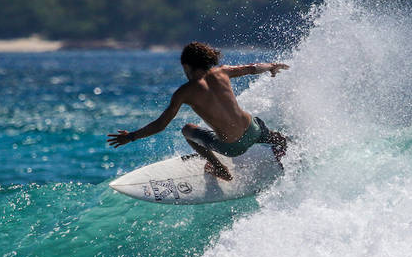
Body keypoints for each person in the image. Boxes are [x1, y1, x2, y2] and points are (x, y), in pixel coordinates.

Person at [107, 42, 288, 181]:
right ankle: (282, 148)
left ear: (186, 66)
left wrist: (131, 136)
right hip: (253, 131)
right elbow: (253, 68)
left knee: (187, 130)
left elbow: (160, 125)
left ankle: (219, 168)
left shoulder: (185, 92)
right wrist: (272, 66)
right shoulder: (223, 72)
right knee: (266, 131)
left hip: (233, 147)